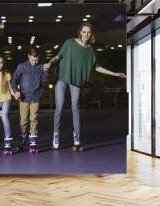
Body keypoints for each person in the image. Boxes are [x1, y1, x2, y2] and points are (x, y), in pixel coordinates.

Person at [44, 22, 126, 152]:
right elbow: (58, 56)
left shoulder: (90, 50)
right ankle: (56, 138)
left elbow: (97, 67)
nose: (86, 35)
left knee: (75, 108)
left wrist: (115, 73)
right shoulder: (69, 43)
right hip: (63, 79)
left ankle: (76, 140)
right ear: (80, 32)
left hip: (76, 81)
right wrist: (49, 63)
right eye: (84, 32)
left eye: (88, 32)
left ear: (91, 34)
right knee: (59, 108)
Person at [10, 48, 49, 154]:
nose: (34, 62)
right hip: (23, 97)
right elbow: (13, 80)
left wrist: (46, 71)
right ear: (28, 56)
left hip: (35, 97)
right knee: (23, 120)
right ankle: (22, 140)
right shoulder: (21, 66)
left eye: (36, 60)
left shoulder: (41, 67)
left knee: (34, 118)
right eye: (32, 60)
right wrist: (15, 91)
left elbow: (45, 81)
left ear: (39, 58)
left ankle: (32, 142)